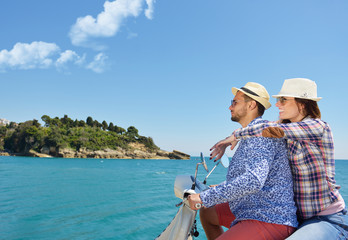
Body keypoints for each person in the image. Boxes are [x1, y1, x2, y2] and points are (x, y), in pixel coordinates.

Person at [211, 78, 348, 239]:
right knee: (208, 212)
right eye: (278, 100)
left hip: (326, 218)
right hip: (296, 216)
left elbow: (267, 129)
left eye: (283, 100)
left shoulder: (318, 127)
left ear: (302, 103)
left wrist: (235, 136)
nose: (277, 104)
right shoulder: (284, 128)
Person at [188, 82, 298, 240]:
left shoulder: (262, 135)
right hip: (248, 208)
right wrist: (218, 188)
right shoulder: (249, 134)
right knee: (207, 212)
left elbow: (253, 180)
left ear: (252, 105)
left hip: (268, 217)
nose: (230, 107)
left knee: (206, 203)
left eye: (234, 102)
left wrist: (205, 196)